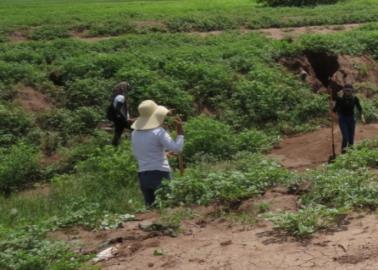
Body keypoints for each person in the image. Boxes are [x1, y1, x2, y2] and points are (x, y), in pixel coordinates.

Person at [131, 100, 184, 207]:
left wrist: (164, 155)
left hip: (143, 175)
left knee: (151, 209)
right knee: (167, 206)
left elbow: (140, 155)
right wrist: (180, 132)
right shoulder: (158, 132)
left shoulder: (134, 133)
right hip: (160, 174)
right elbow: (177, 149)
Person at [333, 84, 365, 153]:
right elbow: (334, 110)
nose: (347, 92)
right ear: (344, 91)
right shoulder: (340, 99)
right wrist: (333, 115)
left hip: (351, 119)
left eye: (349, 91)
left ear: (352, 91)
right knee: (345, 137)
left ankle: (351, 153)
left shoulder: (355, 99)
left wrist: (362, 116)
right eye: (346, 90)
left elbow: (359, 108)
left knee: (351, 137)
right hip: (342, 119)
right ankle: (343, 153)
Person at [108, 81, 131, 146]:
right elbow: (118, 109)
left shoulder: (116, 96)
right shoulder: (121, 97)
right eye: (127, 88)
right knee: (135, 129)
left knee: (118, 133)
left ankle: (114, 147)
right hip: (121, 118)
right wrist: (124, 118)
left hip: (117, 118)